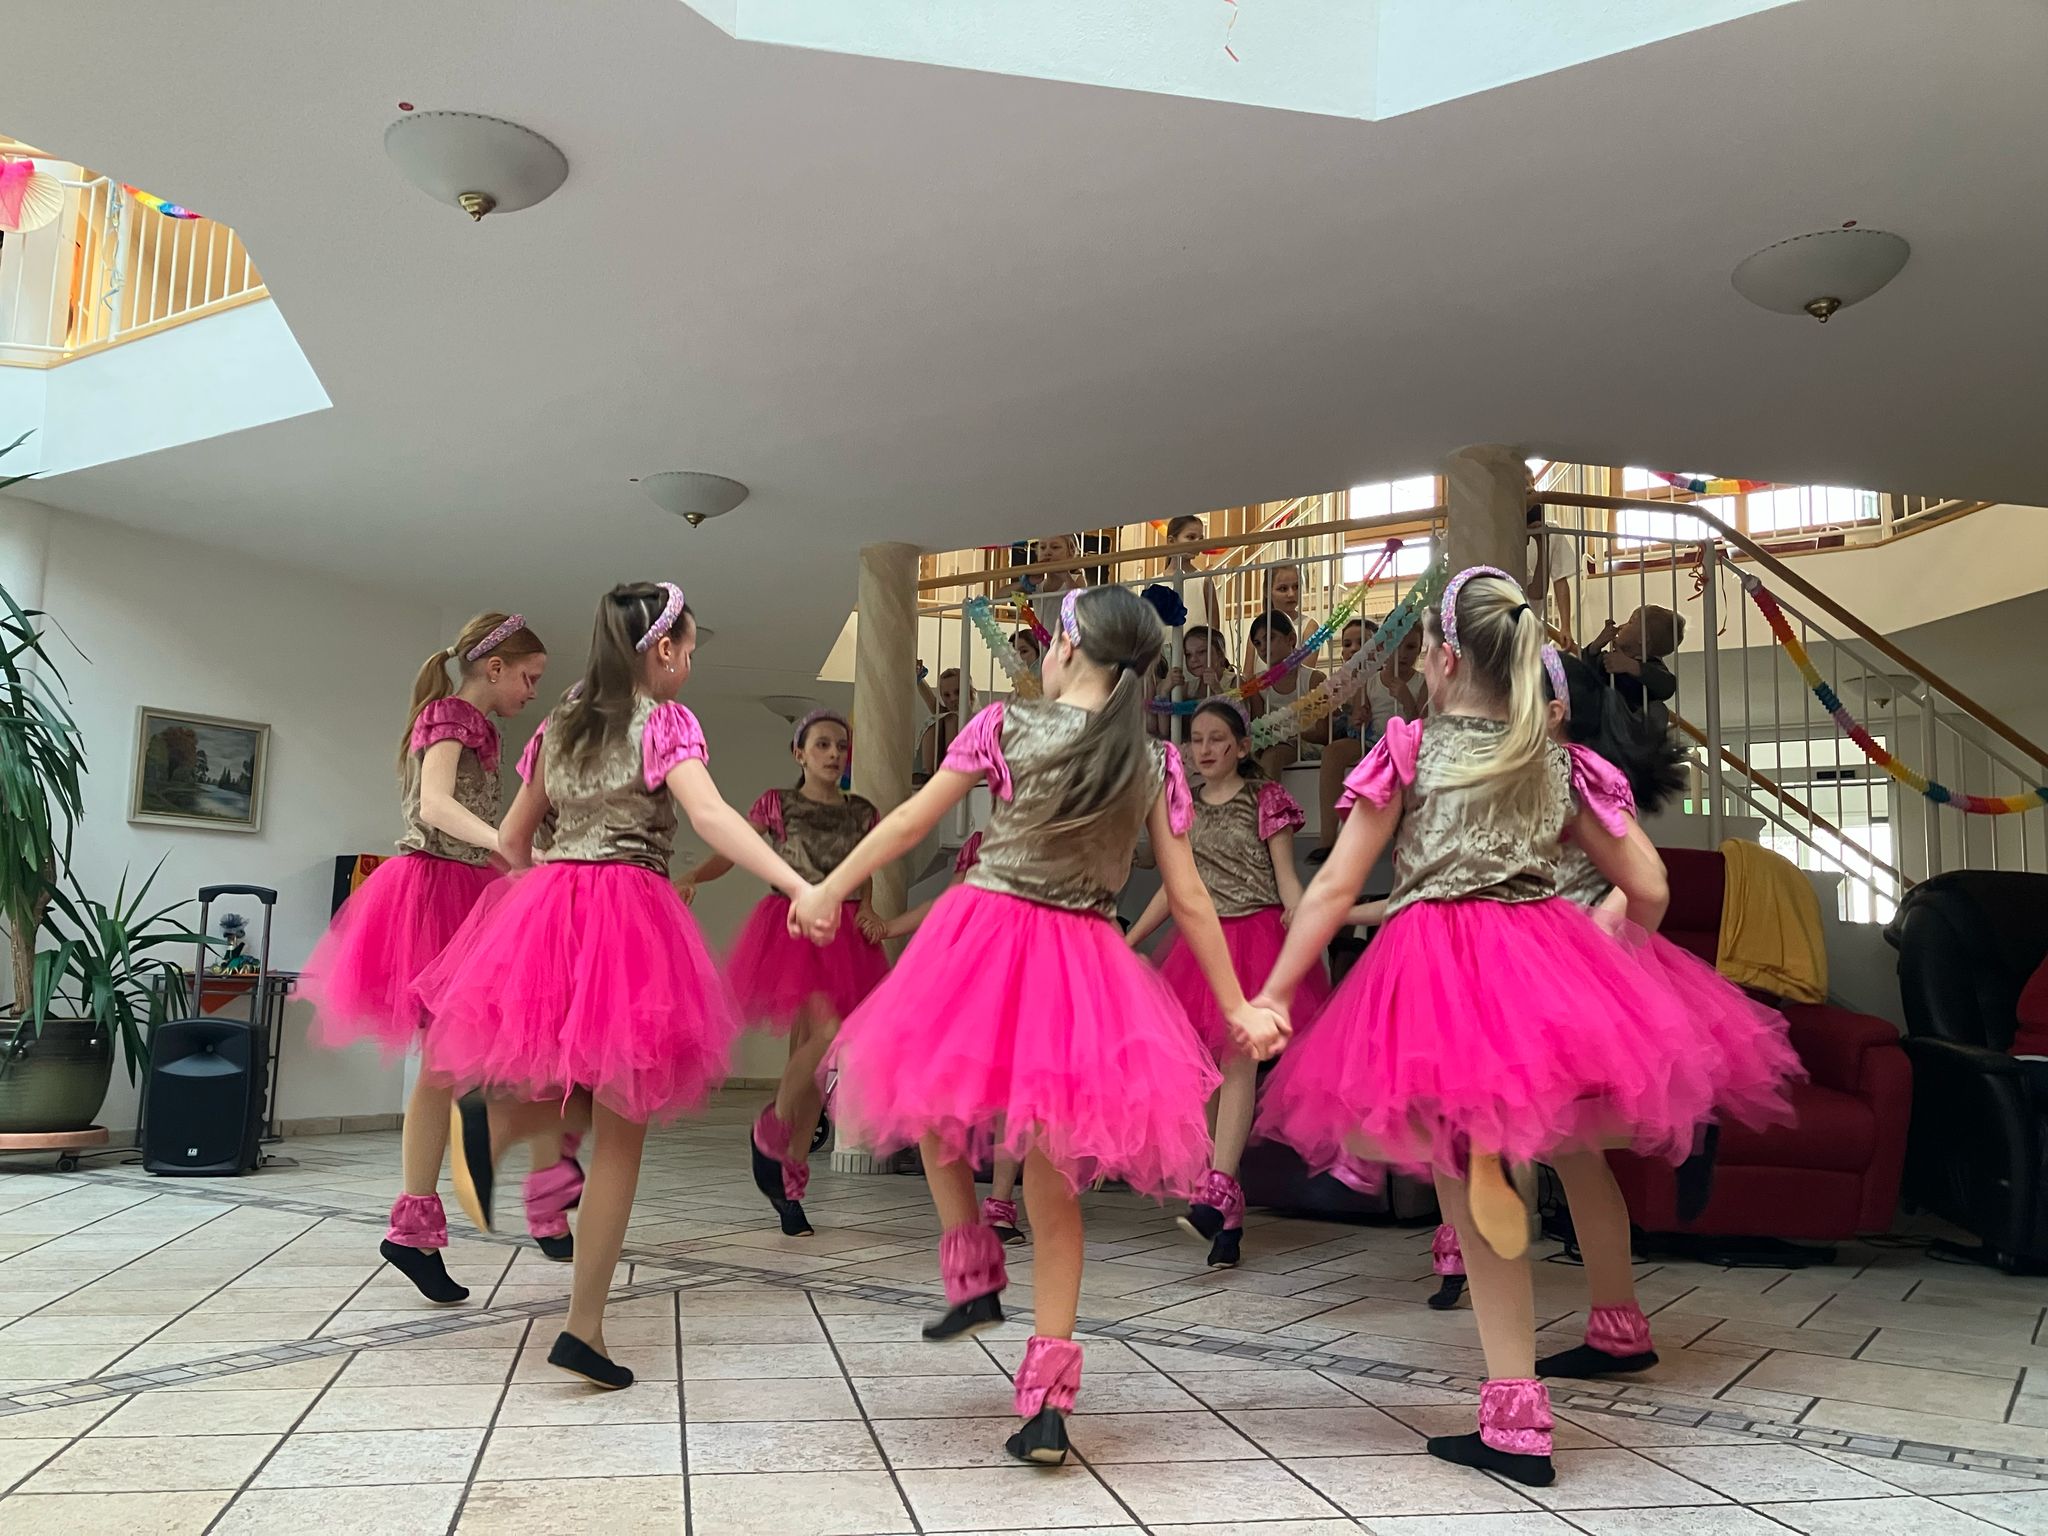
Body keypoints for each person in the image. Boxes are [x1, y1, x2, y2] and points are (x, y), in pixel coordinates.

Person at [1251, 567, 1732, 1489]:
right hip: (1538, 965)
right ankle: (1544, 1383)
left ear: (1441, 658)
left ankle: (1516, 1418)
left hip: (1438, 979)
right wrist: (1608, 966)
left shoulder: (1408, 750)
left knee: (1476, 1189)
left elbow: (1337, 886)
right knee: (1498, 1178)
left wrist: (1276, 993)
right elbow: (1651, 887)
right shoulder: (1557, 760)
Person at [791, 585, 1288, 1466]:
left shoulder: (1006, 726)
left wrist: (831, 885)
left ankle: (971, 1265)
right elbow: (1189, 896)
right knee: (1054, 1194)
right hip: (1081, 965)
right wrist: (1238, 1003)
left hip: (984, 940)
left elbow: (911, 820)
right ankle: (1049, 1403)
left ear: (1063, 647)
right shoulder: (1152, 760)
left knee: (929, 1100)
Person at [418, 582, 820, 1390]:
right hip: (630, 914)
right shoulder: (665, 721)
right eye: (690, 650)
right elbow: (711, 818)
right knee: (621, 1132)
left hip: (554, 908)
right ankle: (582, 1328)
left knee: (576, 1086)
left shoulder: (558, 723)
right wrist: (797, 883)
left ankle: (500, 1124)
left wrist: (549, 893)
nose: (691, 664)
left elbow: (511, 840)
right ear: (663, 649)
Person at [302, 613, 551, 1302]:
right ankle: (415, 1229)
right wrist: (507, 847)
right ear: (495, 668)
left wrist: (525, 857)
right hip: (432, 894)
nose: (532, 691)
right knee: (445, 1070)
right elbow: (436, 806)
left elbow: (479, 824)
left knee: (459, 1071)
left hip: (468, 892)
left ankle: (424, 1225)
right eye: (529, 677)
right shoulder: (449, 715)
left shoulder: (484, 729)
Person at [1125, 700, 1331, 1269]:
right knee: (1209, 1079)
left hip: (1256, 939)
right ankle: (1227, 1206)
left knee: (1238, 1059)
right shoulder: (1183, 804)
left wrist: (1303, 925)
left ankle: (1216, 1189)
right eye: (1197, 739)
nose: (1206, 748)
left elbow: (1287, 880)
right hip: (1203, 948)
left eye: (1218, 738)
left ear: (1242, 747)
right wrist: (1129, 938)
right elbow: (1175, 889)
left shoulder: (1265, 799)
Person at [681, 710, 887, 1237]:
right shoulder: (778, 804)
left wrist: (866, 907)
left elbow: (863, 869)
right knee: (827, 1034)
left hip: (843, 934)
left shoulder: (863, 812)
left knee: (818, 1061)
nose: (834, 754)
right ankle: (770, 1127)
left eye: (841, 746)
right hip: (792, 928)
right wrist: (695, 875)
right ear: (799, 753)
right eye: (822, 745)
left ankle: (791, 1183)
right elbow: (735, 849)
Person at [885, 830, 1028, 1247]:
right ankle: (961, 1221)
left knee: (1017, 1091)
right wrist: (891, 926)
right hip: (977, 973)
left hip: (1028, 970)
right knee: (949, 1084)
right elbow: (948, 903)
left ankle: (1000, 1203)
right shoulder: (981, 842)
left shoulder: (1057, 831)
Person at [1245, 610, 1328, 776]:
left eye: (1270, 638)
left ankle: (1265, 794)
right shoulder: (1257, 684)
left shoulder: (1314, 679)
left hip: (1306, 746)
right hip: (1270, 746)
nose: (1263, 648)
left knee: (1273, 755)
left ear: (1291, 639)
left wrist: (1286, 734)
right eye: (1257, 643)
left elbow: (1323, 733)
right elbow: (1259, 731)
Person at [1581, 605, 1683, 722]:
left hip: (1632, 724)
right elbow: (1584, 671)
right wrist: (1595, 647)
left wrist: (1632, 666)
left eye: (1630, 622)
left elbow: (1668, 686)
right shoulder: (1610, 658)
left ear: (1643, 638)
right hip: (1604, 720)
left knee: (1658, 710)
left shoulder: (1653, 666)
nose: (1621, 626)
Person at [917, 666, 966, 777]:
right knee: (936, 720)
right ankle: (927, 773)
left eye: (958, 692)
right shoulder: (946, 714)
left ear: (970, 690)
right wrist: (919, 677)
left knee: (951, 719)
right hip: (938, 765)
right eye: (947, 695)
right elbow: (933, 704)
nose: (953, 698)